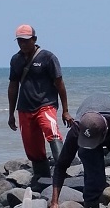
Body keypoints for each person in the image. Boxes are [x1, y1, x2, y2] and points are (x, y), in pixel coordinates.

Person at [7, 24, 72, 180]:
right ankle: (42, 178)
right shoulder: (15, 60)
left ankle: (62, 172)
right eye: (20, 41)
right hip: (24, 108)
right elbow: (13, 86)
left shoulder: (48, 58)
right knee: (32, 146)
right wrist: (11, 114)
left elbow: (60, 84)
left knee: (51, 131)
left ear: (34, 39)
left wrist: (65, 110)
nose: (23, 44)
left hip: (46, 105)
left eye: (26, 41)